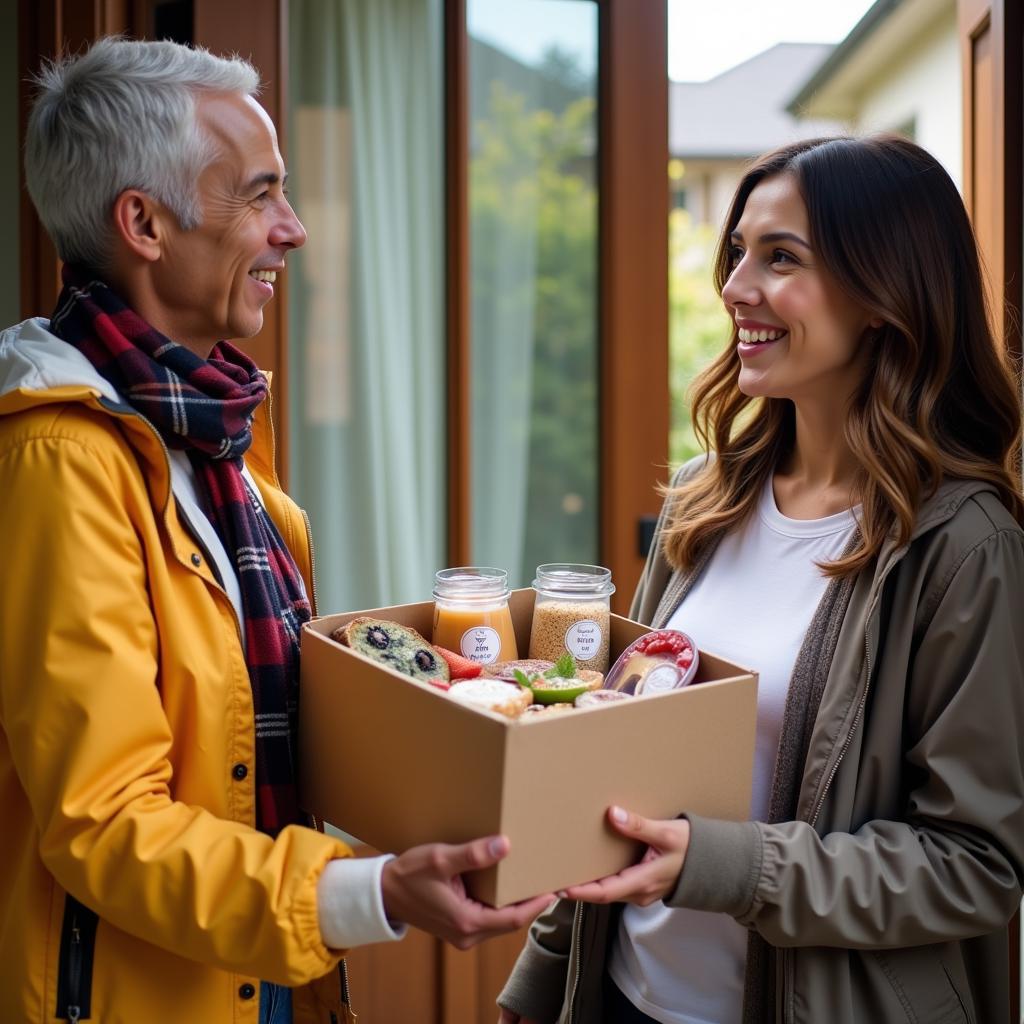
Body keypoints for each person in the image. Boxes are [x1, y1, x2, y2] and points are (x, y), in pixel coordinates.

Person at [0, 37, 553, 1024]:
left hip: (257, 976)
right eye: (260, 195)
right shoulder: (63, 459)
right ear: (145, 222)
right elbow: (105, 822)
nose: (292, 230)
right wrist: (367, 892)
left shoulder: (209, 430)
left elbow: (250, 732)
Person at [497, 134, 1024, 1023]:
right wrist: (545, 975)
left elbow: (975, 865)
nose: (737, 287)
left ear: (884, 296)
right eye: (739, 252)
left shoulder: (963, 548)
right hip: (629, 996)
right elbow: (619, 761)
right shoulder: (705, 502)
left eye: (781, 258)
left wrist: (723, 866)